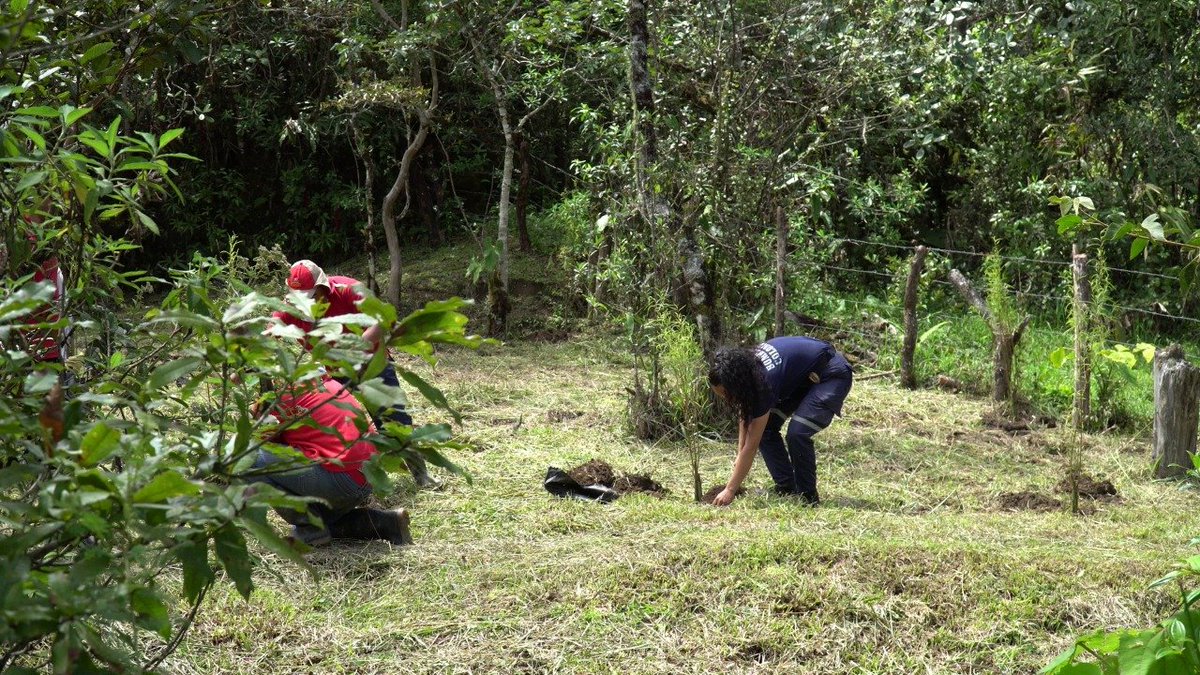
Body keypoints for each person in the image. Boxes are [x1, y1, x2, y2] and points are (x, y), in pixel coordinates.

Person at [272, 259, 439, 489]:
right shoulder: (290, 308)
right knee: (340, 426)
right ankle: (357, 479)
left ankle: (421, 474)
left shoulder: (349, 289)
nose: (306, 304)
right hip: (333, 375)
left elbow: (384, 319)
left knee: (394, 420)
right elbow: (269, 329)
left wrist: (356, 345)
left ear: (323, 287)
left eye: (311, 297)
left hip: (372, 364)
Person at [248, 375, 413, 547]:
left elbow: (264, 445)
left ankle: (310, 529)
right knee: (324, 519)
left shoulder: (282, 399)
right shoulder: (327, 383)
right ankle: (386, 523)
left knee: (248, 459)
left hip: (341, 478)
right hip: (368, 477)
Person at [708, 336, 854, 507]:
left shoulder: (762, 382)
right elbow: (746, 413)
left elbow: (752, 444)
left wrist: (730, 490)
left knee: (797, 433)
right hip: (804, 378)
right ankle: (787, 488)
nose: (726, 400)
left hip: (831, 374)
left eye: (726, 394)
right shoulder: (746, 368)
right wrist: (739, 453)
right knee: (767, 429)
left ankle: (808, 498)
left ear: (736, 385)